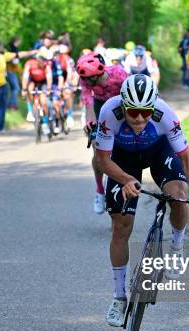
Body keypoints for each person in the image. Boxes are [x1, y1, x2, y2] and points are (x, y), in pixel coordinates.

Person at [92, 74, 189, 326]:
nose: (140, 118)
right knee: (121, 226)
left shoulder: (164, 114)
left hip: (158, 151)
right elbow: (102, 160)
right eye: (134, 112)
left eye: (146, 111)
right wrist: (125, 179)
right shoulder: (109, 113)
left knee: (179, 195)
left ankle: (176, 248)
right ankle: (119, 297)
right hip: (122, 159)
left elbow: (187, 157)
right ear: (123, 106)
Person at [76, 52, 128, 214]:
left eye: (87, 80)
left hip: (120, 103)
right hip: (100, 105)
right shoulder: (85, 79)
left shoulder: (118, 73)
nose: (84, 82)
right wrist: (90, 123)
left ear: (96, 75)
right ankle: (100, 190)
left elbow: (132, 93)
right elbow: (88, 101)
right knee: (97, 149)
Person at [0, 40, 35, 132]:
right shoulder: (3, 56)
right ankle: (0, 127)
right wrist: (31, 52)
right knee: (2, 106)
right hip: (2, 84)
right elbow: (18, 55)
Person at [21, 53, 52, 132]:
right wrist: (24, 89)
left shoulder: (47, 65)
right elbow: (25, 77)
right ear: (37, 59)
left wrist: (48, 89)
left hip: (43, 82)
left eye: (45, 60)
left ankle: (45, 122)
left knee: (43, 102)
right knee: (29, 89)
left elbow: (49, 78)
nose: (43, 62)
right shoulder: (29, 63)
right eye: (42, 60)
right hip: (33, 81)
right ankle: (30, 111)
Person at [6, 36, 23, 110]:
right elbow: (15, 62)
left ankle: (9, 103)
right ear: (16, 41)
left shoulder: (8, 48)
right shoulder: (14, 50)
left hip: (5, 70)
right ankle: (12, 104)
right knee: (16, 88)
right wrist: (19, 72)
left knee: (9, 88)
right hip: (10, 70)